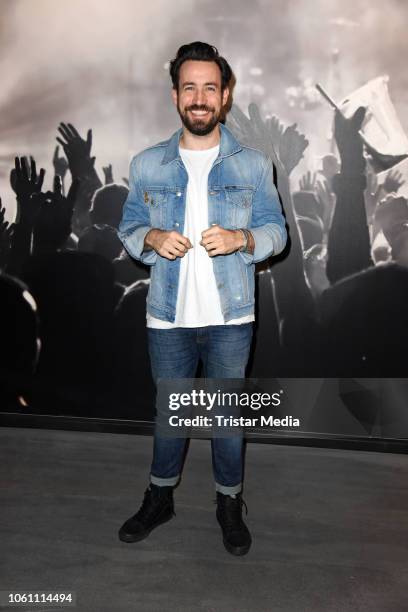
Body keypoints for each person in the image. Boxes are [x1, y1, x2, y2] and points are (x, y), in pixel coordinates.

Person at [117, 41, 287, 556]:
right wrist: (149, 238)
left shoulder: (254, 165)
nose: (199, 97)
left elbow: (277, 231)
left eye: (209, 87)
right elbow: (129, 225)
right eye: (189, 87)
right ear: (175, 96)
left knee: (225, 421)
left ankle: (229, 503)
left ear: (225, 95)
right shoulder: (147, 163)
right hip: (167, 316)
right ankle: (160, 497)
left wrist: (244, 240)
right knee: (171, 414)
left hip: (230, 316)